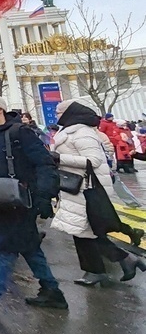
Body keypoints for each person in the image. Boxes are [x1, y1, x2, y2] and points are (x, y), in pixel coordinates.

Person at [0, 95, 67, 316]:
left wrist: (44, 195)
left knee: (7, 248)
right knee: (29, 247)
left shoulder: (21, 132)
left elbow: (44, 163)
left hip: (22, 200)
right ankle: (52, 291)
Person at [50, 100, 145, 285]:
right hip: (77, 187)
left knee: (85, 231)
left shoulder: (82, 132)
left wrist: (59, 158)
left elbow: (94, 160)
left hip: (86, 188)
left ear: (70, 113)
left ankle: (103, 268)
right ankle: (117, 263)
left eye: (59, 112)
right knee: (84, 231)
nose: (56, 115)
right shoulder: (69, 131)